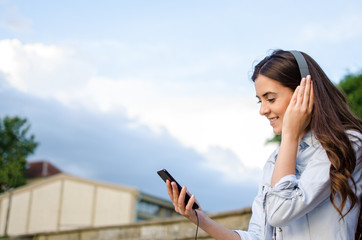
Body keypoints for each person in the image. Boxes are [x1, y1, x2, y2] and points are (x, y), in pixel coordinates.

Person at [165, 49, 362, 239]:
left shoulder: (347, 144)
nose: (263, 110)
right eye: (260, 101)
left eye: (270, 98)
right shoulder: (276, 159)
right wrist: (200, 219)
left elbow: (279, 211)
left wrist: (290, 136)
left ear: (305, 92)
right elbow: (258, 236)